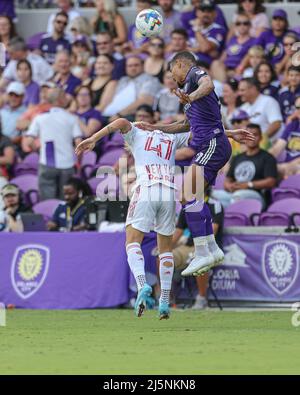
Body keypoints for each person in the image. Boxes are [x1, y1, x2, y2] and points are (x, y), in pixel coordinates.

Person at [136, 51, 254, 277]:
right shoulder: (188, 93)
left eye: (173, 71)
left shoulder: (195, 76)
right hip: (212, 143)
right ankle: (211, 248)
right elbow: (185, 125)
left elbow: (208, 84)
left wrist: (193, 96)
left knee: (187, 193)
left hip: (212, 145)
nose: (172, 77)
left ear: (181, 64)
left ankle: (203, 251)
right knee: (189, 196)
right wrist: (153, 128)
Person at [75, 117, 191, 320]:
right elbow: (203, 132)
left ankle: (142, 284)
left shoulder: (137, 133)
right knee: (165, 249)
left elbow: (120, 121)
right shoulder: (171, 138)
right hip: (169, 193)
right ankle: (164, 300)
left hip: (146, 189)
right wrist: (230, 133)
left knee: (131, 241)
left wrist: (94, 138)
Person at [23, 88, 83, 201]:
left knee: (47, 201)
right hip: (67, 163)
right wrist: (78, 162)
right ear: (60, 100)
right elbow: (79, 143)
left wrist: (38, 151)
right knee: (66, 201)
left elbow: (29, 141)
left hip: (47, 162)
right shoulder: (72, 119)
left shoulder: (40, 118)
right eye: (64, 97)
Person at [173, 194, 224, 309]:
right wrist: (165, 249)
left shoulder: (215, 204)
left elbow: (213, 230)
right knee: (163, 257)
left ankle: (201, 298)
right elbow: (178, 230)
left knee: (202, 258)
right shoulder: (188, 205)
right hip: (188, 246)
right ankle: (166, 299)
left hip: (210, 246)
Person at [221, 123, 278, 209]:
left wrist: (249, 185)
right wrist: (229, 186)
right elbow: (227, 180)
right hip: (234, 193)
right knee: (213, 196)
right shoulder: (237, 158)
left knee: (237, 196)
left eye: (255, 135)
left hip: (257, 196)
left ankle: (235, 219)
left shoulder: (267, 158)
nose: (252, 138)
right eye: (248, 135)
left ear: (261, 138)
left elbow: (271, 182)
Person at [100, 55, 161, 122]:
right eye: (130, 66)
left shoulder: (150, 80)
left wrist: (119, 115)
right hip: (108, 115)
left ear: (143, 66)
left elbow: (145, 101)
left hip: (129, 117)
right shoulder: (123, 80)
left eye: (136, 65)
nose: (133, 68)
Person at [239, 78, 283, 145]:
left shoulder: (268, 101)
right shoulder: (243, 107)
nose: (239, 93)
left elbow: (276, 124)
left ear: (253, 89)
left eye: (242, 90)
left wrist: (260, 140)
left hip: (270, 146)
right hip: (251, 148)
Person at [213, 13, 255, 80]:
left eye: (245, 23)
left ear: (250, 25)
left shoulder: (254, 41)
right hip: (226, 70)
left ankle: (226, 86)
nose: (242, 26)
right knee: (215, 64)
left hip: (240, 70)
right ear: (235, 26)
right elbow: (223, 57)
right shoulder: (232, 39)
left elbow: (249, 57)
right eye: (238, 23)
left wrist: (238, 69)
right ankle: (225, 86)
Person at [188, 1, 227, 66]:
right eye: (203, 11)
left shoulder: (218, 30)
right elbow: (180, 46)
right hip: (187, 61)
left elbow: (205, 48)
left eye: (209, 11)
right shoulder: (191, 29)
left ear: (215, 14)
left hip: (203, 64)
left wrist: (197, 30)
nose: (206, 14)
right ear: (197, 13)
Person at [269, 96, 300, 178]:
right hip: (287, 166)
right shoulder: (293, 125)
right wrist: (263, 158)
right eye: (297, 108)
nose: (299, 110)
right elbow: (277, 148)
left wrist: (290, 165)